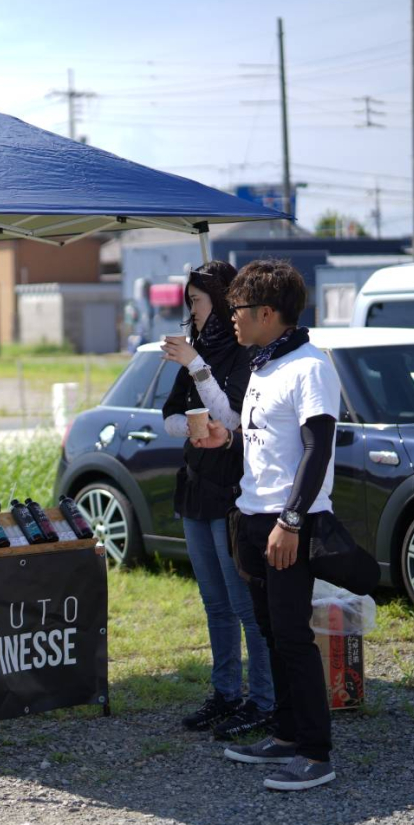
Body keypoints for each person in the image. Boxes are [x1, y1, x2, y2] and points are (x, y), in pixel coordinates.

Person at [194, 259, 341, 791]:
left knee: (293, 637)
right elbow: (266, 438)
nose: (231, 316)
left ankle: (316, 753)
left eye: (237, 308)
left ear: (267, 312)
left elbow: (317, 449)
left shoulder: (309, 366)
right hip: (253, 519)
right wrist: (228, 439)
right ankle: (285, 733)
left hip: (287, 525)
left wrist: (291, 521)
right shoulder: (263, 363)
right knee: (271, 634)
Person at [160, 262, 274, 740]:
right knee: (214, 603)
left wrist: (195, 366)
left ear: (224, 303)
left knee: (244, 603)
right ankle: (225, 693)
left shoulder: (245, 355)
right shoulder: (200, 351)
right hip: (195, 488)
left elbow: (232, 419)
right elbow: (169, 416)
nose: (192, 312)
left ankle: (263, 700)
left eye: (197, 301)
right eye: (188, 302)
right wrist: (190, 427)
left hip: (233, 494)